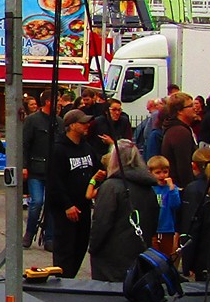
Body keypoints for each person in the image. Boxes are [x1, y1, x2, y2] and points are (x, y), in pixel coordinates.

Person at [88, 140, 155, 282]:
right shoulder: (148, 188)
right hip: (139, 254)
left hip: (111, 259)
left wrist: (93, 247)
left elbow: (101, 222)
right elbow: (153, 220)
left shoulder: (111, 187)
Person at [47, 110, 101, 278]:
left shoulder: (86, 147)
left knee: (81, 246)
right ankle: (62, 280)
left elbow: (97, 167)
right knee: (65, 248)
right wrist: (67, 205)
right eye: (83, 123)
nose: (87, 125)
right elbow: (54, 181)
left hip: (84, 206)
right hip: (66, 210)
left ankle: (70, 277)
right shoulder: (58, 149)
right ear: (71, 126)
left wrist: (97, 179)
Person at [180, 146, 210, 280]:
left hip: (202, 258)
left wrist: (187, 263)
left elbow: (191, 228)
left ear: (193, 165)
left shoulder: (193, 190)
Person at [22, 91, 56, 251]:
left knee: (51, 204)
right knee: (36, 202)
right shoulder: (32, 120)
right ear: (48, 102)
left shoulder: (59, 122)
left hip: (53, 169)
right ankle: (29, 232)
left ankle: (49, 237)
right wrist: (24, 166)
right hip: (36, 168)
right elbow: (25, 144)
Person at [160, 92, 199, 186]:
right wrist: (190, 189)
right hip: (180, 188)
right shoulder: (180, 132)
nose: (195, 108)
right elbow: (184, 166)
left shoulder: (179, 129)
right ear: (180, 111)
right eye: (190, 106)